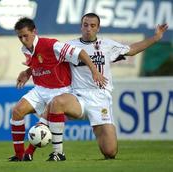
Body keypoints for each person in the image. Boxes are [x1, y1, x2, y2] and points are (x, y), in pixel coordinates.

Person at [44, 13, 168, 160]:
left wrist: (156, 37)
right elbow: (47, 58)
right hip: (78, 96)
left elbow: (132, 49)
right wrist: (28, 71)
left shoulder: (107, 45)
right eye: (85, 25)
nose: (88, 29)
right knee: (57, 102)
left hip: (100, 98)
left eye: (92, 26)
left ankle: (97, 126)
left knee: (110, 152)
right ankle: (58, 153)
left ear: (98, 28)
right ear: (81, 26)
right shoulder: (70, 46)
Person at [9, 17, 107, 162]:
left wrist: (95, 71)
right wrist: (27, 73)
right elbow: (41, 63)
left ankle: (55, 153)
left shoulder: (52, 45)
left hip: (60, 90)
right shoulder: (26, 49)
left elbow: (80, 53)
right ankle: (19, 155)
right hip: (40, 89)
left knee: (42, 125)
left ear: (34, 32)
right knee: (17, 111)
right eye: (20, 37)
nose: (23, 39)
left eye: (26, 35)